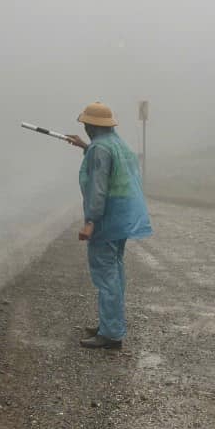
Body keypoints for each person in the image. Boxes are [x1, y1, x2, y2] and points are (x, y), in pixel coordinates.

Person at [65, 101, 152, 350]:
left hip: (107, 218)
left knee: (106, 275)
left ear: (92, 125)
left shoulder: (99, 148)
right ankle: (109, 324)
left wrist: (90, 221)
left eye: (86, 126)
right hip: (122, 216)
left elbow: (98, 188)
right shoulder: (117, 144)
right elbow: (111, 164)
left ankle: (111, 334)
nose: (85, 130)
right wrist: (85, 147)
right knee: (115, 270)